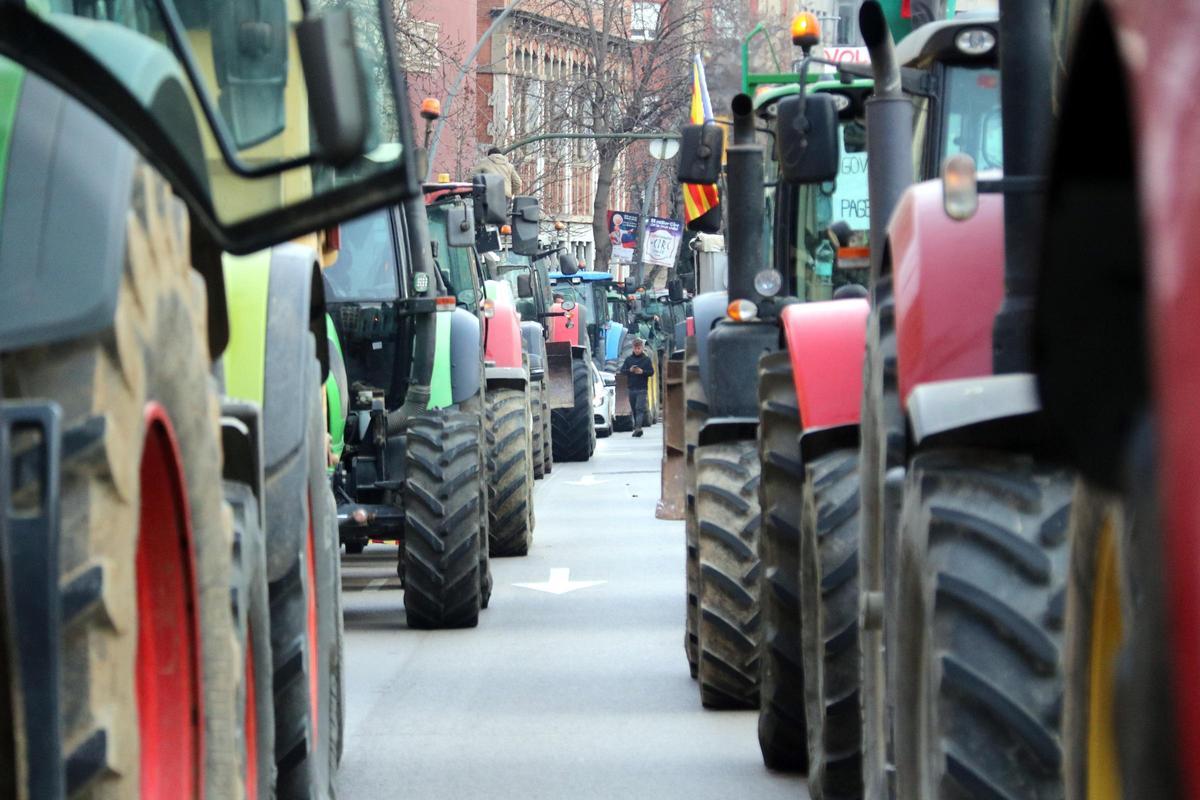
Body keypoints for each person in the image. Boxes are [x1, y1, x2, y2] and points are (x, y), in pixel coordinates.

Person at [619, 337, 655, 437]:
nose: (637, 350)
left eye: (639, 348)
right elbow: (622, 371)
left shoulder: (646, 360)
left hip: (642, 389)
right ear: (633, 348)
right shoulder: (629, 360)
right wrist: (630, 370)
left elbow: (651, 372)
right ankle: (636, 427)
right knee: (634, 409)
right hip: (631, 389)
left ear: (642, 348)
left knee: (639, 409)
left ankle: (638, 428)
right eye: (635, 348)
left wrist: (642, 372)